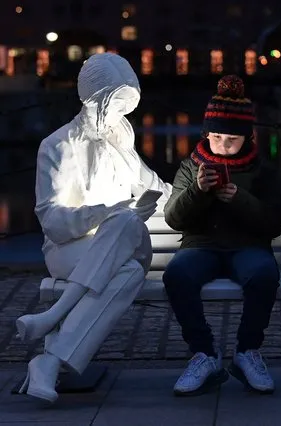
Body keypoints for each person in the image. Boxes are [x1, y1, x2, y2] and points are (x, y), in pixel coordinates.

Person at [16, 53, 172, 403]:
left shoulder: (121, 137)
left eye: (126, 108)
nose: (122, 117)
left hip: (119, 243)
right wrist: (108, 211)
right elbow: (54, 224)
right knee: (128, 265)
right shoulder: (57, 146)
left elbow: (151, 184)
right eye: (117, 106)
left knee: (127, 222)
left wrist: (191, 197)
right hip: (70, 249)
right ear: (95, 99)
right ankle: (51, 363)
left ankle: (51, 330)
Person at [163, 75, 281, 396]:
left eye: (232, 139)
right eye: (217, 137)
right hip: (201, 246)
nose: (223, 145)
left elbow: (276, 223)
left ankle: (247, 353)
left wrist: (240, 199)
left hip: (248, 247)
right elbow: (174, 218)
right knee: (177, 273)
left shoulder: (263, 170)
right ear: (206, 133)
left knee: (263, 274)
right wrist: (198, 191)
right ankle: (204, 354)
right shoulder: (191, 167)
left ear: (247, 138)